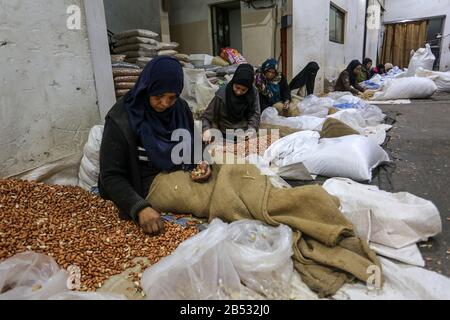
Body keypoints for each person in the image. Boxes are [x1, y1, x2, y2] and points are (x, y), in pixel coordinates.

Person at [98, 56, 211, 237]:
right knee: (208, 197)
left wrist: (203, 161)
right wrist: (139, 207)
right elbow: (110, 175)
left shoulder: (180, 109)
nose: (165, 104)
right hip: (147, 182)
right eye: (158, 96)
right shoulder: (122, 118)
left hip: (181, 169)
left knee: (230, 171)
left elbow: (196, 145)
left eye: (171, 98)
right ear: (147, 87)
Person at [201, 63, 260, 143]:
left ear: (248, 89)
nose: (239, 92)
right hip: (225, 134)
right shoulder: (222, 95)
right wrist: (206, 130)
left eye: (243, 90)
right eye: (237, 87)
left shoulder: (253, 93)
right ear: (233, 83)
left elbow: (255, 113)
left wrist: (252, 129)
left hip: (245, 135)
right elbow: (206, 117)